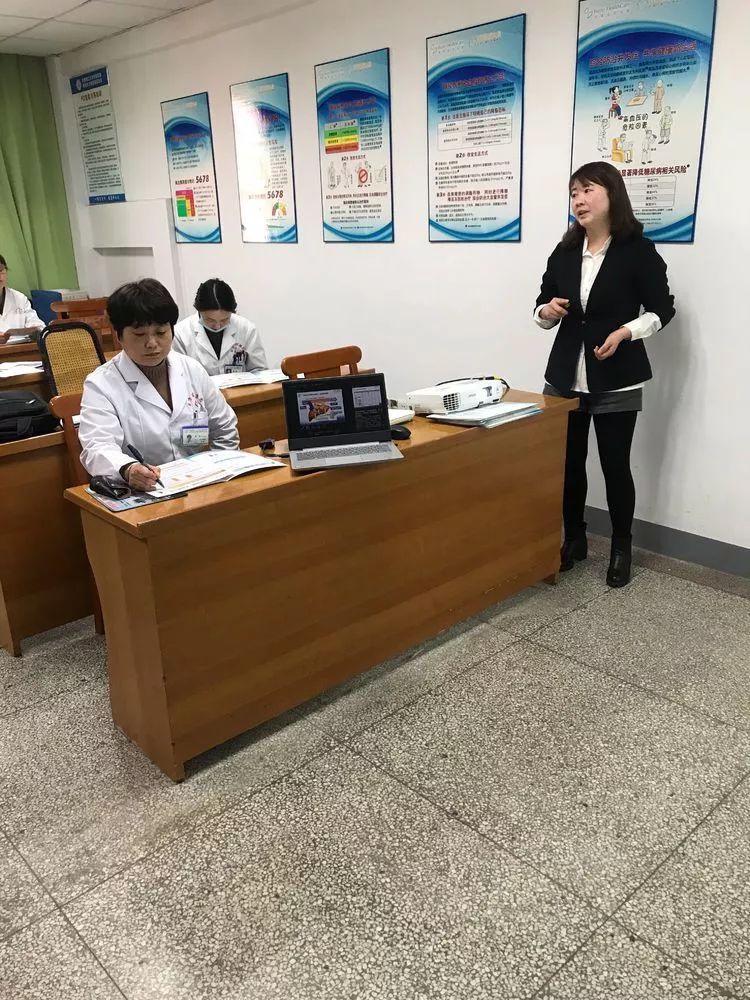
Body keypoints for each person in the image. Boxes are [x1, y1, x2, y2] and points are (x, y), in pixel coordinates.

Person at [534, 161, 675, 587]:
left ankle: (620, 547)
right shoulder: (564, 251)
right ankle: (574, 539)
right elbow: (541, 305)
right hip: (564, 378)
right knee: (568, 465)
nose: (578, 200)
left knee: (615, 466)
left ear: (612, 194)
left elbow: (663, 309)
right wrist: (546, 311)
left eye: (587, 190)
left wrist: (627, 331)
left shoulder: (637, 250)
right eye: (574, 193)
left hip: (617, 377)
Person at [79, 279, 239, 490]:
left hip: (203, 484)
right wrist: (128, 469)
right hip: (146, 490)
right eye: (139, 334)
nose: (152, 343)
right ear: (119, 335)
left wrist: (222, 472)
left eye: (161, 332)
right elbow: (97, 446)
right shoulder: (101, 384)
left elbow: (224, 428)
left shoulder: (191, 370)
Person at [172, 278, 267, 376]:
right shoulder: (180, 334)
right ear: (199, 311)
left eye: (224, 320)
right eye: (210, 320)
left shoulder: (246, 329)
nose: (217, 326)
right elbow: (180, 376)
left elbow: (259, 370)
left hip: (240, 386)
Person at [0, 255, 44, 343]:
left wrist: (34, 330)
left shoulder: (19, 298)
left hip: (21, 347)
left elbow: (38, 325)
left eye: (1, 270)